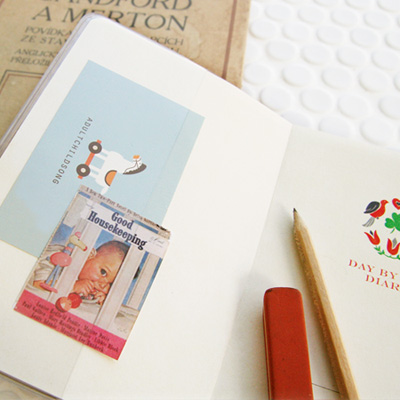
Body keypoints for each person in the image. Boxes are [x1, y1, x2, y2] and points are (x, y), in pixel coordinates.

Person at [33, 240, 129, 305]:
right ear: (90, 255)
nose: (103, 285)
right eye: (103, 272)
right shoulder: (63, 256)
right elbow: (38, 284)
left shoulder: (88, 282)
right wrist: (72, 286)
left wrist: (99, 300)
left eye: (110, 283)